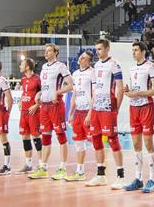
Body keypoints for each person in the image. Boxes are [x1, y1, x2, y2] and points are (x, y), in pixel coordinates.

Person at [86, 39, 125, 188]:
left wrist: (117, 108)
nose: (98, 52)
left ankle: (121, 176)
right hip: (97, 108)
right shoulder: (96, 66)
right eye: (96, 49)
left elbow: (119, 88)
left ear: (107, 49)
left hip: (108, 107)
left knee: (113, 140)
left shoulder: (114, 65)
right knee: (96, 139)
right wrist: (90, 111)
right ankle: (100, 175)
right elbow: (95, 91)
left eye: (100, 49)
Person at [122, 42, 154, 193]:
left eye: (136, 50)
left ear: (143, 51)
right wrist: (128, 91)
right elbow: (135, 89)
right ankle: (138, 179)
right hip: (133, 108)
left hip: (146, 107)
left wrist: (136, 94)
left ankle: (152, 179)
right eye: (132, 50)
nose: (134, 53)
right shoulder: (132, 69)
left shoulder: (151, 67)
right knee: (136, 144)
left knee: (148, 143)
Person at [36, 44, 72, 180]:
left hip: (55, 106)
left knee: (61, 137)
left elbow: (70, 85)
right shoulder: (44, 67)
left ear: (55, 52)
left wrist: (57, 93)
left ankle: (62, 167)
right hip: (44, 107)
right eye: (45, 51)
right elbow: (45, 87)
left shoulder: (60, 66)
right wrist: (39, 94)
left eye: (49, 51)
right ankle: (43, 167)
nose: (46, 53)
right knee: (45, 137)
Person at [65, 51, 94, 181]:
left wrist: (90, 114)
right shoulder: (75, 74)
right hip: (78, 112)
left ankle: (102, 171)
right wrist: (70, 113)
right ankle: (80, 172)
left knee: (96, 143)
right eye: (80, 57)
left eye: (84, 58)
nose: (80, 59)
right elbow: (74, 95)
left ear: (88, 61)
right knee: (78, 142)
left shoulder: (92, 73)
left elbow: (94, 95)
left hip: (89, 111)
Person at [17, 58, 42, 174]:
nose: (20, 66)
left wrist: (36, 105)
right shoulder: (22, 79)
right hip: (24, 113)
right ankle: (28, 164)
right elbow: (25, 92)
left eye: (22, 65)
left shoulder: (37, 79)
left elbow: (43, 93)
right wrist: (21, 101)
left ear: (27, 67)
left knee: (36, 136)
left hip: (33, 112)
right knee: (25, 137)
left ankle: (42, 164)